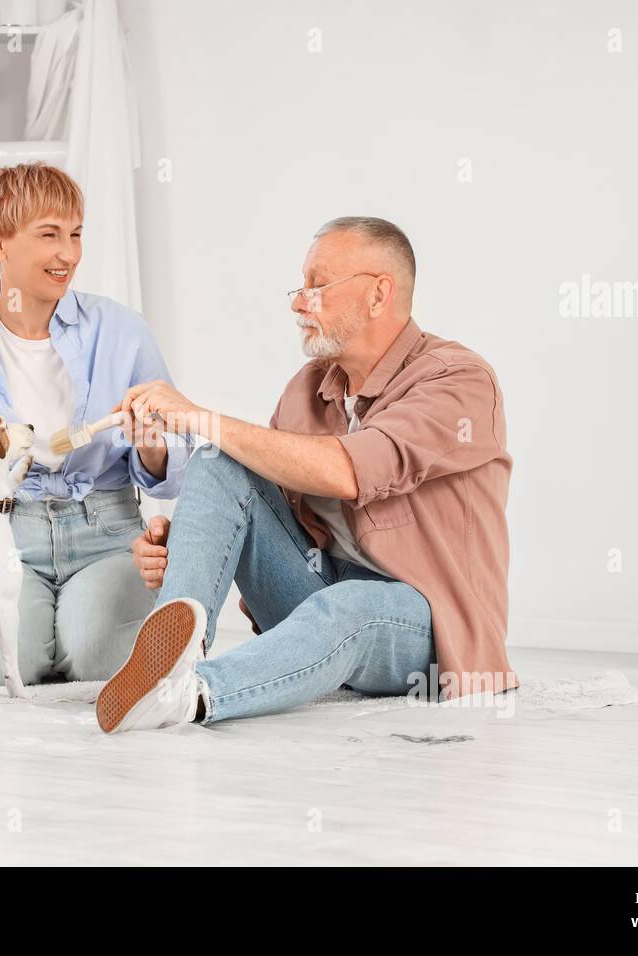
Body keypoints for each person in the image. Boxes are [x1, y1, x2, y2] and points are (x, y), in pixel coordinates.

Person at [96, 216, 517, 733]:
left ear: (378, 294)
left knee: (350, 605)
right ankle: (170, 653)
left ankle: (192, 693)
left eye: (317, 287)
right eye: (301, 288)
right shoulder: (309, 388)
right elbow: (260, 500)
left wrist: (198, 416)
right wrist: (180, 543)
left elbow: (350, 471)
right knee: (218, 459)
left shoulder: (458, 380)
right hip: (319, 593)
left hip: (430, 629)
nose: (299, 303)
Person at [0, 163, 189, 685]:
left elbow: (175, 465)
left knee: (99, 661)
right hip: (5, 536)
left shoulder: (122, 332)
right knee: (3, 666)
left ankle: (72, 632)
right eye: (50, 235)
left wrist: (151, 447)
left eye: (76, 234)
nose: (70, 254)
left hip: (106, 532)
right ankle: (40, 636)